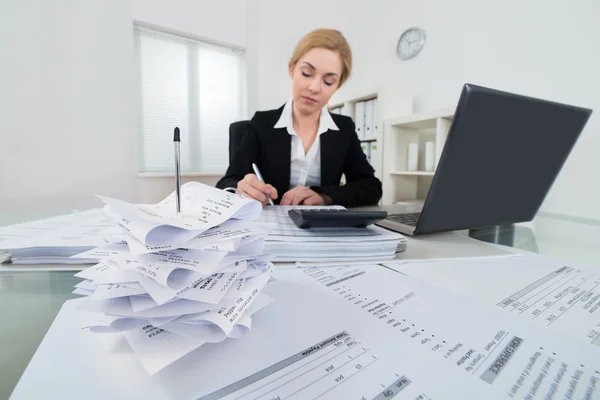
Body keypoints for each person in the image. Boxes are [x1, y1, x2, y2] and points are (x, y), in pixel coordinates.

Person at [216, 28, 382, 208]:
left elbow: (371, 187)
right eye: (307, 73)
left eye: (328, 81)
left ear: (337, 86)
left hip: (321, 230)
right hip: (270, 226)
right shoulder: (262, 123)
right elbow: (227, 182)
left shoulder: (344, 129)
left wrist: (325, 197)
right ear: (292, 69)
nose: (314, 87)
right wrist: (241, 190)